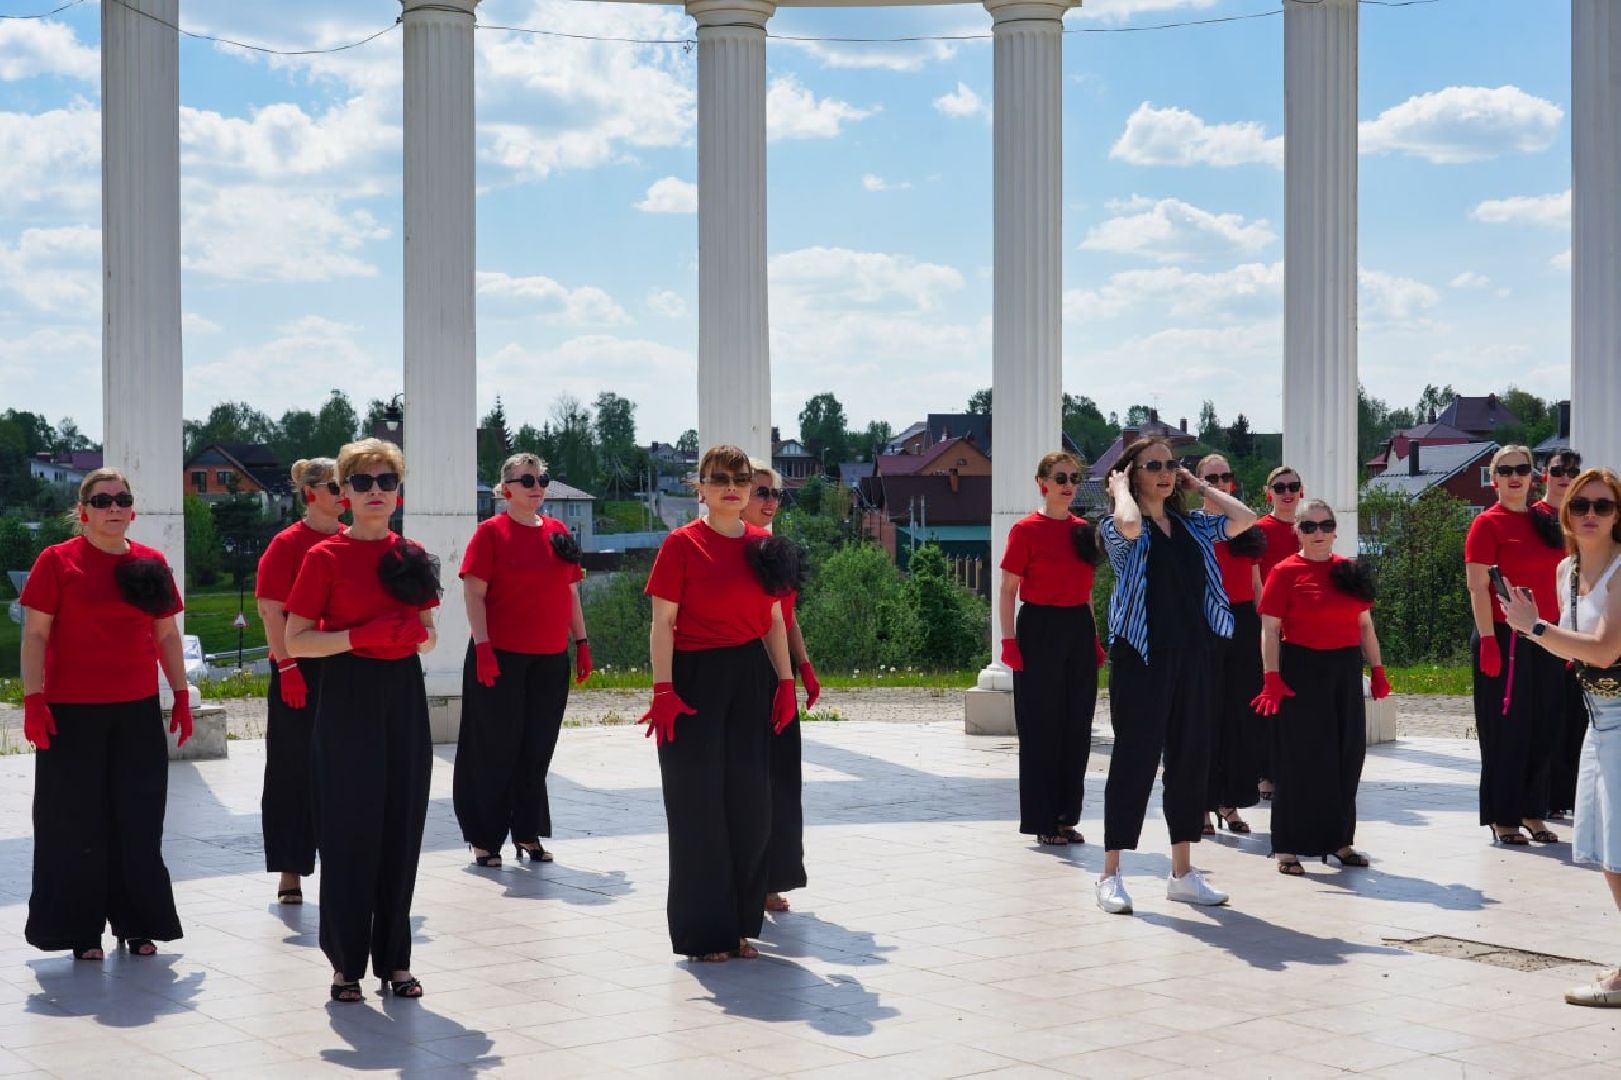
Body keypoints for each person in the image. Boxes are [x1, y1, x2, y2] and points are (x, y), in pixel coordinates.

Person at [284, 438, 440, 1003]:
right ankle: (345, 963)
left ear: (398, 493)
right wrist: (359, 637)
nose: (376, 491)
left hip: (402, 694)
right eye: (363, 482)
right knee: (351, 831)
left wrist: (416, 636)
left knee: (402, 827)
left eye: (386, 482)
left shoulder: (413, 554)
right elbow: (297, 638)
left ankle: (396, 959)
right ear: (343, 493)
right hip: (347, 691)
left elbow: (431, 631)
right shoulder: (324, 557)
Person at [19, 467, 189, 960]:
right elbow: (35, 635)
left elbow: (166, 636)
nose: (114, 507)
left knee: (137, 821)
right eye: (102, 499)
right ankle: (80, 930)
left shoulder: (152, 563)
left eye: (122, 499)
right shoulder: (57, 561)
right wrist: (34, 700)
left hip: (135, 711)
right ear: (83, 511)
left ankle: (138, 925)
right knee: (74, 823)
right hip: (71, 714)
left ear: (132, 510)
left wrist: (179, 694)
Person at [642, 445, 799, 962]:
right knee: (698, 808)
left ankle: (737, 926)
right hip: (694, 679)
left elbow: (775, 620)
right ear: (701, 487)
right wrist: (663, 690)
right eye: (719, 478)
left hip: (752, 677)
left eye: (740, 477)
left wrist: (784, 683)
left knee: (750, 807)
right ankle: (704, 933)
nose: (731, 486)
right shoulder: (681, 545)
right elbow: (662, 623)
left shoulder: (763, 544)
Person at [1095, 438, 1257, 915]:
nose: (1165, 473)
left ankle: (1183, 873)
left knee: (1190, 761)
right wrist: (1121, 489)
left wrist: (1198, 483)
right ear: (1132, 474)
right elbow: (1126, 523)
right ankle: (1110, 874)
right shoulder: (1119, 524)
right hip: (1141, 657)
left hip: (1194, 654)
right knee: (1134, 762)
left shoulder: (1192, 526)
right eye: (1154, 466)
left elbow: (1245, 518)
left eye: (1170, 465)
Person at [1502, 468, 1621, 1006]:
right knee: (1604, 850)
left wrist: (1537, 629)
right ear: (1567, 513)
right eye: (1581, 506)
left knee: (1618, 852)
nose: (1591, 515)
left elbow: (1601, 649)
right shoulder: (1564, 571)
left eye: (1604, 505)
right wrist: (1536, 630)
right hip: (1598, 717)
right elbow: (1573, 654)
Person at [455, 452, 590, 869]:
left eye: (542, 479)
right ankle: (484, 836)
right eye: (527, 479)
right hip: (499, 657)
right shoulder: (490, 533)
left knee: (536, 748)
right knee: (494, 747)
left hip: (549, 658)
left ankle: (527, 831)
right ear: (506, 488)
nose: (537, 487)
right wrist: (484, 647)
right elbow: (473, 594)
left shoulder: (557, 530)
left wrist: (581, 641)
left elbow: (569, 591)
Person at [1253, 499, 1390, 874]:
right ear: (1297, 530)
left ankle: (1340, 840)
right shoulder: (1284, 572)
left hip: (1344, 668)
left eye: (1325, 525)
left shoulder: (1348, 569)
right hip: (1301, 669)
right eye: (1309, 526)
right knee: (1299, 760)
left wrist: (1377, 669)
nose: (1318, 533)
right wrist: (1271, 677)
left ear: (1335, 529)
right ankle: (1287, 846)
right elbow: (1270, 629)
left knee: (1347, 756)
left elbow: (1364, 625)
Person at [998, 451, 1104, 847]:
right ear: (1042, 482)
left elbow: (1089, 592)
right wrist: (1008, 642)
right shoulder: (1026, 530)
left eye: (1074, 477)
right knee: (1042, 727)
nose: (1068, 484)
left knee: (1077, 726)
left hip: (1077, 625)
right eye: (1060, 477)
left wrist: (1093, 637)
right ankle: (1042, 820)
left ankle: (1065, 818)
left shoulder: (1083, 530)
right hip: (1039, 627)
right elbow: (1008, 589)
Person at [1464, 444, 1566, 846]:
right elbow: (1477, 586)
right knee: (1506, 730)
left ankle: (1532, 811)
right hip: (1503, 637)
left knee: (1545, 726)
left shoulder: (1549, 521)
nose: (1514, 476)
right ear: (1495, 478)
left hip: (1548, 635)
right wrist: (1488, 639)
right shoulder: (1487, 524)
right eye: (1504, 470)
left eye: (1521, 468)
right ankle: (1502, 816)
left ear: (1533, 474)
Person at [255, 457, 343, 906]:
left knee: (344, 770)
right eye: (335, 485)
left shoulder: (353, 540)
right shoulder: (287, 544)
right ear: (310, 494)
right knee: (292, 767)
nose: (344, 493)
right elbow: (271, 610)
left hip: (346, 664)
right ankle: (291, 868)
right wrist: (287, 666)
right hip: (299, 666)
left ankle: (345, 863)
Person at [740, 460, 818, 913]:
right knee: (753, 779)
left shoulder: (775, 549)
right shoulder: (736, 550)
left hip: (780, 670)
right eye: (761, 492)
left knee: (784, 777)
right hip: (745, 667)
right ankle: (750, 879)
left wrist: (803, 667)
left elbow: (786, 617)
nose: (770, 502)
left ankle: (776, 876)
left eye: (776, 495)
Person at [1197, 455, 1266, 836]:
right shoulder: (1194, 526)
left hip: (1243, 622)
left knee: (1240, 718)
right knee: (1206, 717)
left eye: (1225, 476)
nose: (1221, 482)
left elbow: (1255, 585)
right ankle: (1202, 806)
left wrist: (1264, 630)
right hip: (1207, 621)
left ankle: (1230, 802)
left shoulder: (1245, 528)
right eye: (1212, 477)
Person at [1537, 449, 1586, 820]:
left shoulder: (1584, 517)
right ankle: (1548, 797)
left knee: (1576, 718)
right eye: (1559, 470)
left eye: (1572, 471)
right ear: (1545, 474)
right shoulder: (1534, 516)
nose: (1565, 476)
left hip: (1579, 629)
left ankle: (1569, 796)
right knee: (1548, 717)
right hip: (1542, 630)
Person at [1252, 466, 1304, 802]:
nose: (1287, 492)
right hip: (1272, 627)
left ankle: (1296, 768)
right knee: (1271, 700)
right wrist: (1267, 622)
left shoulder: (1309, 527)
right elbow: (1255, 580)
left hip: (1306, 629)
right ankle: (1266, 773)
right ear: (1268, 492)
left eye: (1293, 486)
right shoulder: (1259, 529)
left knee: (1300, 702)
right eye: (1280, 487)